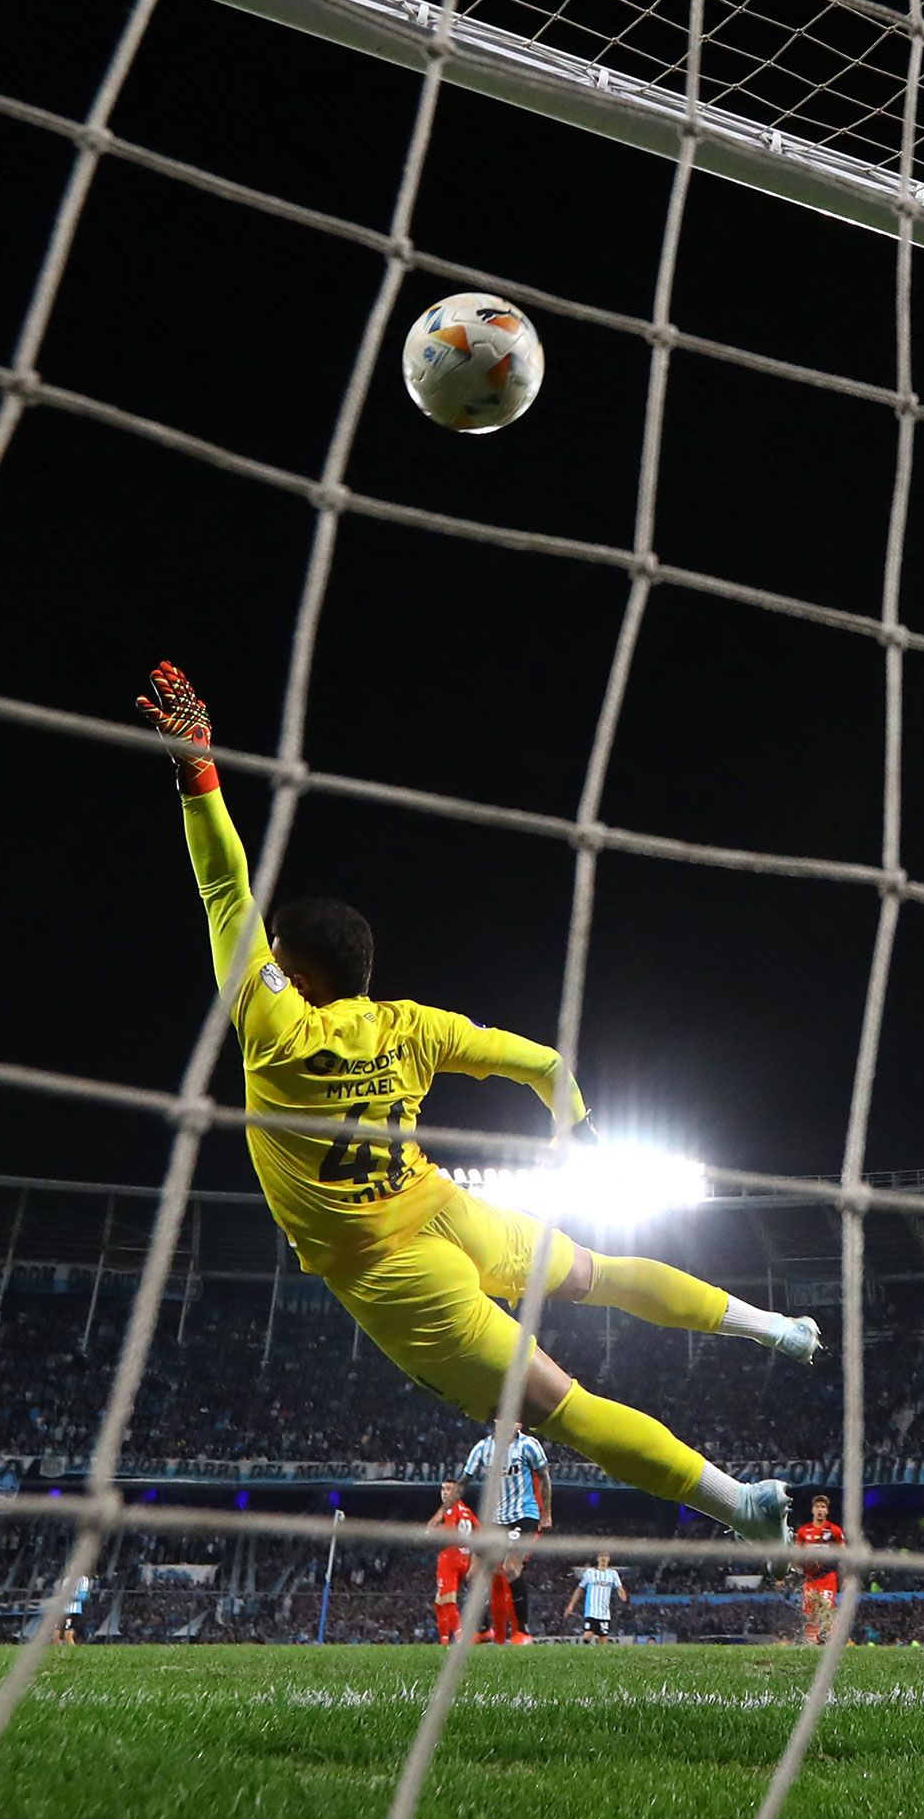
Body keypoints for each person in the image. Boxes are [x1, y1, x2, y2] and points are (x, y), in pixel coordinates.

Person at [133, 661, 809, 1544]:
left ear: (292, 972)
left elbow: (226, 888)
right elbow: (545, 1062)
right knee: (599, 1273)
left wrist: (197, 775)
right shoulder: (413, 1027)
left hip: (394, 1272)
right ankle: (773, 1328)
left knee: (560, 1406)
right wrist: (579, 1129)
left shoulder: (276, 1029)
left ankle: (737, 1505)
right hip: (453, 1211)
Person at [460, 1426, 547, 1644]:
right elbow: (466, 1478)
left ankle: (522, 1632)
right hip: (496, 1520)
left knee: (509, 1570)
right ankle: (483, 1630)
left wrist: (546, 1514)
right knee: (474, 1574)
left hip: (523, 1518)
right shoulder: (485, 1448)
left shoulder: (529, 1447)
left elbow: (544, 1478)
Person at [423, 1478, 479, 1646]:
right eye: (443, 1489)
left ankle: (461, 1638)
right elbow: (479, 1530)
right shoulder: (467, 1510)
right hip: (465, 1555)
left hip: (450, 1555)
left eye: (449, 1489)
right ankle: (444, 1641)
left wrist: (431, 1531)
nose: (445, 1492)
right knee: (439, 1601)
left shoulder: (450, 1509)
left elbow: (447, 1532)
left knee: (448, 1599)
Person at [792, 1493, 847, 1646]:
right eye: (817, 1507)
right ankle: (811, 1639)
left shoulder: (834, 1530)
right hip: (810, 1578)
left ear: (827, 1511)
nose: (820, 1510)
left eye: (823, 1507)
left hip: (827, 1577)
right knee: (811, 1611)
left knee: (826, 1607)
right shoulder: (804, 1531)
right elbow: (797, 1554)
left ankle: (831, 1638)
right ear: (812, 1510)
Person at [564, 1552, 627, 1641]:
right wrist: (571, 1605)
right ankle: (584, 1652)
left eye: (606, 1556)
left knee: (603, 1640)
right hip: (591, 1612)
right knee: (588, 1635)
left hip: (604, 1614)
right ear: (598, 1559)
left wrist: (622, 1594)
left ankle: (599, 1654)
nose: (603, 1559)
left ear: (609, 1559)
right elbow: (580, 1588)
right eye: (601, 1556)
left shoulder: (613, 1574)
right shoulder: (590, 1572)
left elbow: (619, 1587)